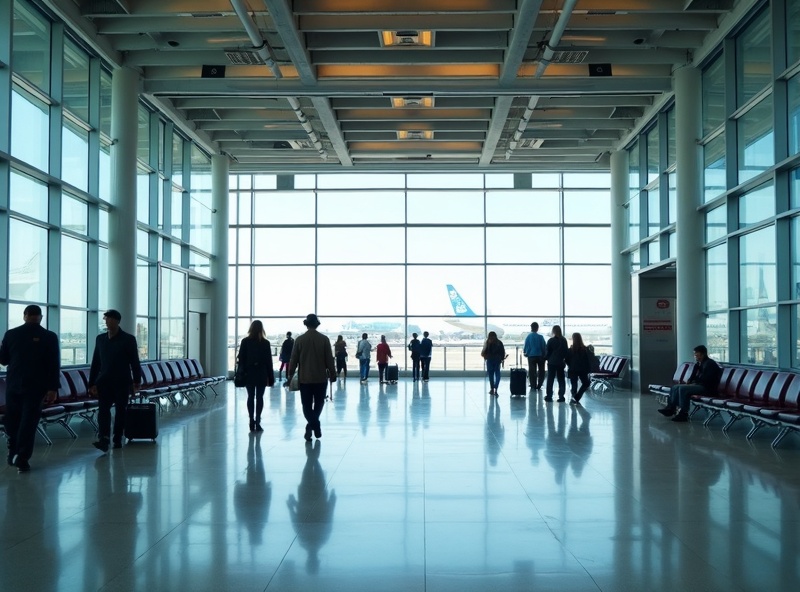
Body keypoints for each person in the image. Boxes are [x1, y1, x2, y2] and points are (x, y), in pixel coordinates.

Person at [0, 304, 60, 472]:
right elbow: (54, 365)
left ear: (24, 315)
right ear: (40, 317)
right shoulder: (49, 337)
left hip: (13, 384)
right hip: (36, 387)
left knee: (13, 420)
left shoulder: (11, 334)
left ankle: (13, 451)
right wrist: (53, 388)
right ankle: (22, 458)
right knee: (29, 422)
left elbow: (3, 360)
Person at [88, 309, 142, 452]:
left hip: (122, 381)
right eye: (106, 319)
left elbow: (134, 361)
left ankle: (117, 437)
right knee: (103, 411)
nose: (107, 321)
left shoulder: (128, 339)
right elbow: (96, 362)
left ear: (117, 321)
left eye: (110, 319)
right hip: (104, 382)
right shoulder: (100, 339)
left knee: (120, 410)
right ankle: (104, 439)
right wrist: (91, 383)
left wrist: (137, 381)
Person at [288, 314, 336, 441]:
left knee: (306, 405)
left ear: (306, 324)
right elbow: (329, 359)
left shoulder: (299, 340)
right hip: (321, 378)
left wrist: (290, 374)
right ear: (317, 324)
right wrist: (333, 373)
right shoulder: (324, 339)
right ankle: (314, 425)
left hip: (305, 378)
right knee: (319, 403)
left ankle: (313, 425)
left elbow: (293, 360)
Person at [658, 344, 723, 422]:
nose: (695, 356)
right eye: (695, 355)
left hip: (707, 388)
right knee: (675, 387)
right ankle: (671, 408)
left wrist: (694, 382)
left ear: (702, 354)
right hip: (700, 385)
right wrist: (693, 377)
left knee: (683, 389)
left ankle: (683, 413)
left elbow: (707, 379)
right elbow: (695, 377)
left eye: (696, 355)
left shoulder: (710, 364)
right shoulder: (700, 364)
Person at [237, 320, 275, 432]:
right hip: (261, 373)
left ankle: (251, 420)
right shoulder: (265, 343)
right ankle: (258, 421)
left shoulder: (245, 341)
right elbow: (269, 361)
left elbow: (241, 358)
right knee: (259, 397)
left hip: (249, 372)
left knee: (250, 396)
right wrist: (271, 377)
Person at [566, 332, 591, 405]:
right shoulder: (585, 349)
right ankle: (576, 398)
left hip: (573, 369)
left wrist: (570, 365)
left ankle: (574, 397)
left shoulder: (570, 350)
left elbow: (567, 360)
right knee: (586, 383)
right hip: (582, 369)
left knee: (574, 384)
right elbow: (588, 360)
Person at [545, 325, 569, 403]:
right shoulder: (564, 340)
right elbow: (566, 352)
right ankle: (561, 396)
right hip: (560, 362)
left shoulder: (551, 340)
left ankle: (549, 396)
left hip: (551, 362)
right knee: (561, 379)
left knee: (550, 379)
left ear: (553, 331)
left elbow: (547, 352)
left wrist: (546, 358)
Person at [523, 322, 547, 389]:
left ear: (531, 328)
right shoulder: (540, 337)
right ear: (537, 328)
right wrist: (544, 355)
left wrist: (525, 352)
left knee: (532, 371)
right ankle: (539, 384)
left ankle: (533, 385)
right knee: (541, 371)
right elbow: (544, 347)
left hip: (531, 356)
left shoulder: (528, 337)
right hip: (540, 356)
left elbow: (526, 346)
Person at [481, 331, 506, 396]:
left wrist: (485, 356)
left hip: (489, 360)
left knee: (491, 375)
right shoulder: (499, 343)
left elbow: (484, 352)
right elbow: (502, 352)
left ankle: (492, 389)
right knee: (497, 374)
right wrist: (502, 359)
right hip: (497, 360)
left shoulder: (487, 343)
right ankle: (496, 388)